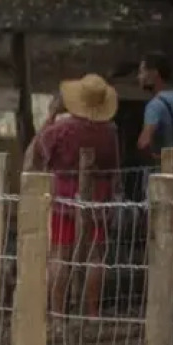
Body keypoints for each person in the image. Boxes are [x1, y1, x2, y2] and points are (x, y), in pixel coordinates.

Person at [26, 74, 121, 319]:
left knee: (60, 255)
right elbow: (115, 168)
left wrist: (49, 117)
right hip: (98, 200)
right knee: (95, 256)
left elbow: (34, 154)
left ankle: (58, 313)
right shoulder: (110, 132)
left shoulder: (61, 129)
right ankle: (92, 313)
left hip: (63, 199)